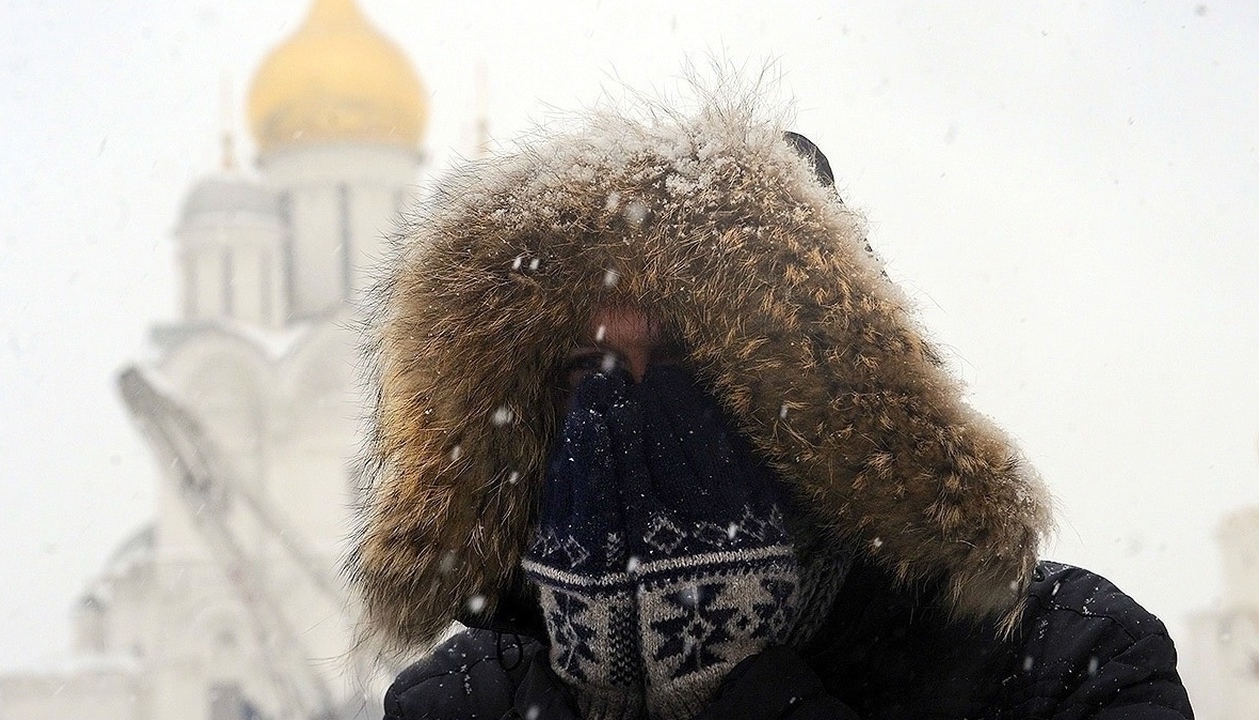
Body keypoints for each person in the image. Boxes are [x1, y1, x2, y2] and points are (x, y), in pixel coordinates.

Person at [348, 93, 1194, 719]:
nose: (628, 406)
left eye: (681, 358)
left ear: (814, 392)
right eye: (588, 367)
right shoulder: (460, 703)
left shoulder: (1056, 658)